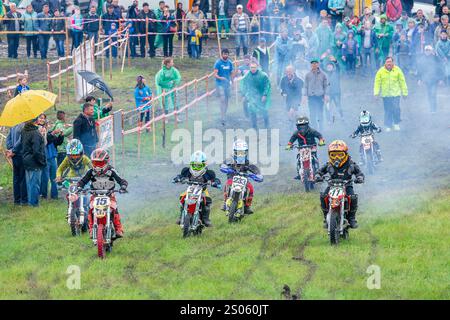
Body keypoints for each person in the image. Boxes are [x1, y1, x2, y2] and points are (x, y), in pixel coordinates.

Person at [77, 148, 128, 238]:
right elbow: (82, 181)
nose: (97, 166)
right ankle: (92, 229)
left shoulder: (111, 171)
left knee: (114, 210)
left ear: (106, 162)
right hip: (95, 195)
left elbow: (121, 180)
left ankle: (118, 229)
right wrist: (79, 187)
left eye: (100, 163)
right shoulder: (91, 172)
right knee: (90, 210)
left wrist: (123, 187)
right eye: (95, 163)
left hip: (109, 195)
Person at [315, 140, 365, 229]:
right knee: (323, 196)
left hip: (347, 185)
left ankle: (351, 218)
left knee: (352, 197)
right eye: (333, 155)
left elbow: (359, 173)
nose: (336, 158)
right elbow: (319, 172)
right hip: (332, 185)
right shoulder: (329, 164)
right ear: (329, 155)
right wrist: (318, 176)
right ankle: (326, 217)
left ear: (345, 154)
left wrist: (359, 178)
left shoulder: (351, 164)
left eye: (340, 154)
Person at [172, 151, 221, 227]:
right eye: (194, 165)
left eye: (199, 165)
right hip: (190, 189)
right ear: (191, 164)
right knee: (182, 197)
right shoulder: (187, 170)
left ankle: (205, 219)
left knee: (207, 200)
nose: (196, 167)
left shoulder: (208, 173)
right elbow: (181, 176)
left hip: (203, 190)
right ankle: (181, 216)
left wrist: (215, 183)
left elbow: (215, 179)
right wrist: (177, 178)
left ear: (204, 164)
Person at [220, 139, 263, 214]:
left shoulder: (247, 162)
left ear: (246, 153)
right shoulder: (230, 160)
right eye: (238, 152)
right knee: (227, 184)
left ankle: (247, 206)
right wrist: (225, 168)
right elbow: (222, 165)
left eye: (243, 152)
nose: (240, 154)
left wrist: (258, 175)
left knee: (251, 188)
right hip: (232, 178)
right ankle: (225, 202)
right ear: (234, 152)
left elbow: (255, 169)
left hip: (244, 180)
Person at [373, 56, 408, 131]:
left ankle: (396, 123)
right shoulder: (380, 71)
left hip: (396, 94)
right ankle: (388, 125)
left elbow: (402, 82)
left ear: (393, 62)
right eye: (387, 62)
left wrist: (405, 93)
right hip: (386, 95)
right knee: (388, 110)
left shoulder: (398, 70)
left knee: (396, 108)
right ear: (385, 63)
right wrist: (376, 93)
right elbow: (377, 83)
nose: (389, 63)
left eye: (390, 61)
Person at [22, 116, 47, 207]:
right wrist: (42, 161)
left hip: (26, 159)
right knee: (35, 184)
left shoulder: (24, 131)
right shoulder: (35, 133)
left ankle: (30, 203)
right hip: (34, 161)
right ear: (36, 121)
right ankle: (34, 204)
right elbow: (36, 151)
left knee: (29, 184)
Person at [240, 61, 271, 129]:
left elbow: (267, 85)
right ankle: (254, 127)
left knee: (263, 110)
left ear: (257, 67)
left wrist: (265, 95)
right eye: (251, 67)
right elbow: (244, 85)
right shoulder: (247, 75)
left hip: (261, 95)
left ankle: (267, 124)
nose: (253, 69)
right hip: (252, 95)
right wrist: (243, 95)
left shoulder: (263, 75)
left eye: (254, 67)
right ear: (249, 68)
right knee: (252, 110)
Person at [302, 58, 329, 131]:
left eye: (315, 63)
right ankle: (314, 129)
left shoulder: (323, 75)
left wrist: (326, 95)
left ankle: (321, 128)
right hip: (311, 97)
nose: (314, 64)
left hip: (320, 96)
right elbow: (305, 86)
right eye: (312, 63)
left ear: (318, 64)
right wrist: (304, 95)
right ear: (311, 65)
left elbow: (326, 86)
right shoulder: (308, 75)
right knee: (312, 113)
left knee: (320, 112)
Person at [6, 123, 28, 205]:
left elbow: (8, 140)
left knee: (16, 178)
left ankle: (17, 200)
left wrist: (11, 149)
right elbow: (21, 140)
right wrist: (13, 150)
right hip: (20, 154)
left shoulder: (13, 125)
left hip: (14, 155)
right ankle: (23, 200)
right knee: (22, 178)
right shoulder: (23, 126)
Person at [416, 46, 440, 113]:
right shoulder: (421, 59)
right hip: (426, 80)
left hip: (434, 80)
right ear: (424, 51)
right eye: (426, 50)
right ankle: (431, 108)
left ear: (431, 51)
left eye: (429, 50)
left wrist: (441, 79)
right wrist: (419, 79)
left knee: (433, 94)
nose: (427, 51)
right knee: (429, 94)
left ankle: (434, 109)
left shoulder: (435, 58)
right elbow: (419, 70)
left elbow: (440, 68)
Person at [214, 48, 234, 126]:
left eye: (227, 54)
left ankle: (224, 114)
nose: (225, 55)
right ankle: (222, 116)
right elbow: (215, 74)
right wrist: (220, 78)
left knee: (226, 100)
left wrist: (233, 83)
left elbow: (232, 74)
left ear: (228, 55)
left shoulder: (230, 63)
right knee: (222, 99)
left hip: (227, 84)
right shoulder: (218, 63)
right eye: (224, 54)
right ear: (221, 54)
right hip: (219, 84)